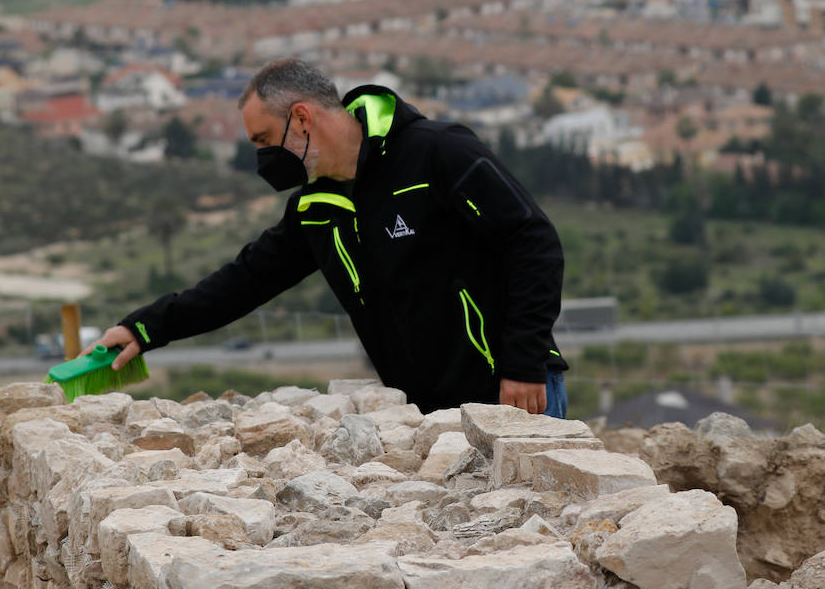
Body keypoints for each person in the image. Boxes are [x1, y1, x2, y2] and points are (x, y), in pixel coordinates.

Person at [95, 58, 569, 417]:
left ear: (302, 118)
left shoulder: (437, 153)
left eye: (262, 139)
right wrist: (148, 326)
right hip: (425, 415)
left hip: (513, 391)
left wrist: (523, 363)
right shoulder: (317, 207)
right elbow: (246, 280)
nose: (260, 158)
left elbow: (532, 240)